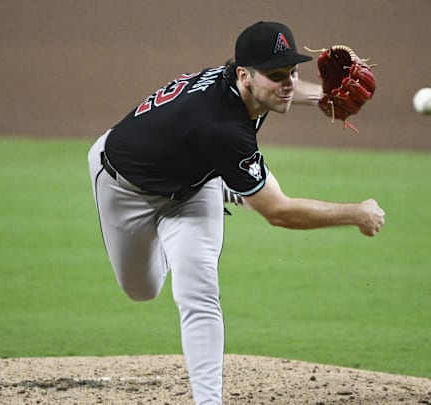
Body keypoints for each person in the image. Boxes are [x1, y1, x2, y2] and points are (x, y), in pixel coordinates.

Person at [87, 21, 385, 405]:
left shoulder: (240, 85)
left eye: (293, 72)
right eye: (277, 75)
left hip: (195, 190)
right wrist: (356, 213)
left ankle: (208, 402)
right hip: (123, 189)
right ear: (245, 75)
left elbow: (282, 90)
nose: (289, 83)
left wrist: (321, 96)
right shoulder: (222, 127)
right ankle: (234, 185)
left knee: (198, 290)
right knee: (142, 290)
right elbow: (280, 212)